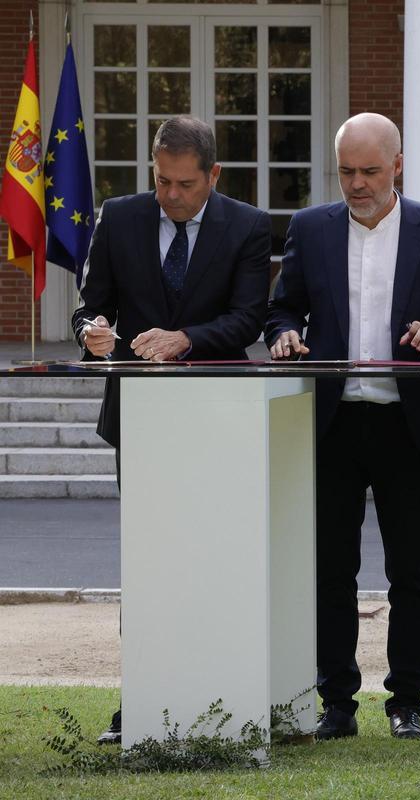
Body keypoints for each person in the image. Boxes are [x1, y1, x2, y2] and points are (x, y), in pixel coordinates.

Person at [264, 113, 420, 742]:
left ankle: (407, 703)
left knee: (411, 571)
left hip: (409, 423)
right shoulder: (310, 229)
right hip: (333, 422)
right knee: (331, 570)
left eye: (369, 171)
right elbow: (283, 306)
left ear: (397, 165)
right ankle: (337, 702)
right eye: (346, 172)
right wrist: (283, 333)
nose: (357, 184)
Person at [71, 114, 272, 745]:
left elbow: (247, 321)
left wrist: (187, 340)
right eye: (161, 182)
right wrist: (92, 332)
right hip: (140, 417)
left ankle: (224, 692)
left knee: (216, 558)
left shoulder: (247, 226)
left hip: (222, 418)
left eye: (185, 184)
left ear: (213, 175)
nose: (171, 197)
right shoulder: (120, 217)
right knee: (149, 562)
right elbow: (90, 302)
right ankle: (142, 696)